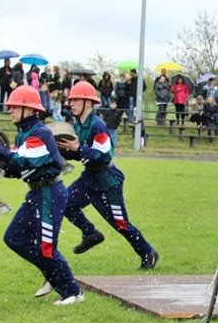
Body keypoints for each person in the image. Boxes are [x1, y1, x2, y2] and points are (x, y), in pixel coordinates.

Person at [0, 86, 83, 304]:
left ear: (28, 109)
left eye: (14, 107)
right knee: (14, 238)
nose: (10, 111)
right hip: (37, 194)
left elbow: (22, 160)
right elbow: (18, 169)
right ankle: (52, 273)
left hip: (49, 194)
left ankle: (73, 292)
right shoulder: (24, 133)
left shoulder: (40, 133)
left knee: (46, 247)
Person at [57, 81, 158, 269]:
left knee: (120, 223)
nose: (71, 103)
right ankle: (90, 233)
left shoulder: (98, 126)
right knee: (63, 203)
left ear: (88, 102)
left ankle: (148, 252)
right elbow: (82, 154)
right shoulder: (79, 124)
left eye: (75, 100)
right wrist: (63, 150)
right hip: (89, 179)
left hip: (107, 182)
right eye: (70, 100)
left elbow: (103, 157)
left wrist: (78, 148)